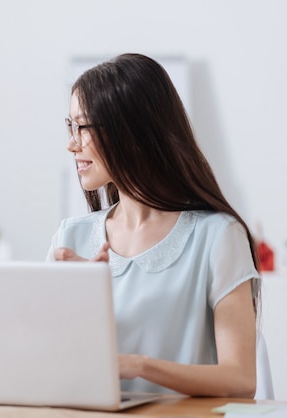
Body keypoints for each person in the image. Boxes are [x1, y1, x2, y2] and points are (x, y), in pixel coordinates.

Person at [48, 53, 260, 397]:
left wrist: (141, 365)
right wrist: (78, 303)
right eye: (70, 126)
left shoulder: (218, 237)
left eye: (82, 126)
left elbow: (241, 380)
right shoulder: (69, 238)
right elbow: (48, 363)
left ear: (131, 132)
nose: (72, 144)